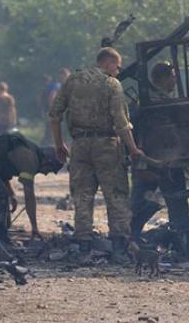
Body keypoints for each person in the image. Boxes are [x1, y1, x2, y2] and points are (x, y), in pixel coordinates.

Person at [49, 47, 144, 262]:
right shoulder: (111, 84)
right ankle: (119, 248)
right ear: (109, 63)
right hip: (107, 145)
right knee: (116, 195)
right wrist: (132, 148)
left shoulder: (72, 80)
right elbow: (121, 123)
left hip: (80, 145)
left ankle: (84, 247)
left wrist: (59, 144)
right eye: (117, 67)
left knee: (82, 195)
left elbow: (54, 114)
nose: (118, 72)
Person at [0, 132, 63, 243]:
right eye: (50, 170)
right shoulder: (29, 160)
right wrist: (34, 227)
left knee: (2, 193)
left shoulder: (32, 152)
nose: (46, 174)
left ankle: (2, 233)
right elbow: (29, 196)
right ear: (46, 161)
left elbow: (2, 169)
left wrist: (12, 194)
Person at [131, 62, 189, 240]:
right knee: (142, 201)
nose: (175, 80)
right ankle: (130, 238)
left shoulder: (156, 99)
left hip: (165, 159)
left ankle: (179, 236)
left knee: (174, 201)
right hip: (150, 159)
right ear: (163, 78)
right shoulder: (147, 100)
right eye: (172, 76)